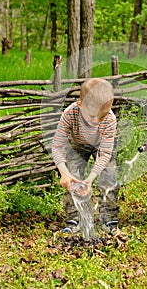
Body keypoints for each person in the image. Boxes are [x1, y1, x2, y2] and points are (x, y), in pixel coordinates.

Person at [51, 78, 120, 234]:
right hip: (77, 145)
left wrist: (89, 179)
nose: (96, 121)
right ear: (81, 105)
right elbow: (57, 146)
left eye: (100, 117)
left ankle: (108, 219)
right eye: (91, 116)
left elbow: (105, 153)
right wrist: (64, 173)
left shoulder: (109, 119)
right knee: (73, 176)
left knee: (109, 176)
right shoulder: (70, 114)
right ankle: (74, 219)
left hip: (100, 146)